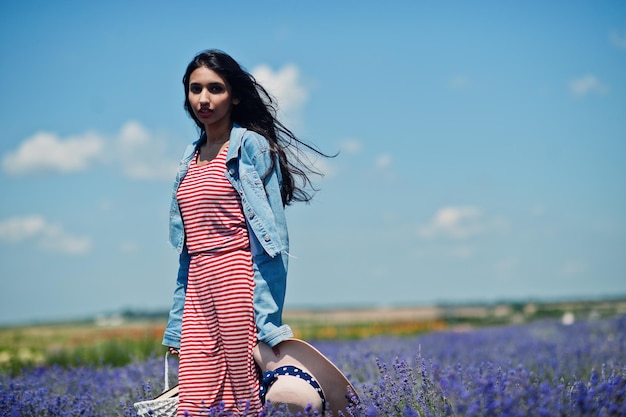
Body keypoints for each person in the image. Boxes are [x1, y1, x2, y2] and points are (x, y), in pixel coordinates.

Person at [162, 50, 325, 416]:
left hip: (239, 283)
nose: (203, 99)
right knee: (194, 399)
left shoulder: (249, 146)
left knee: (242, 397)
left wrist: (267, 319)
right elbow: (187, 252)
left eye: (215, 89)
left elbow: (273, 242)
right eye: (195, 89)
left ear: (234, 95)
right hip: (198, 293)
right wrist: (177, 323)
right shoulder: (188, 159)